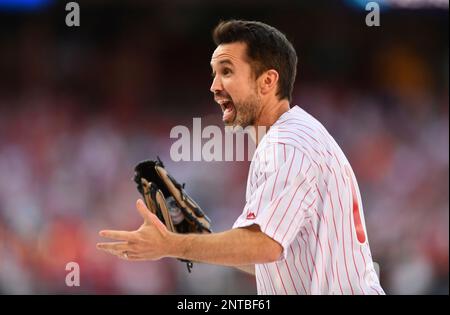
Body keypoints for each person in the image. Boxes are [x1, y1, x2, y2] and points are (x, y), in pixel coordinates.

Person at [97, 20, 385, 295]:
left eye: (227, 72)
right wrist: (193, 237)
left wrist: (170, 244)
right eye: (214, 73)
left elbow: (264, 245)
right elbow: (272, 257)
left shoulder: (287, 144)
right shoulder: (296, 135)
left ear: (267, 81)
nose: (214, 86)